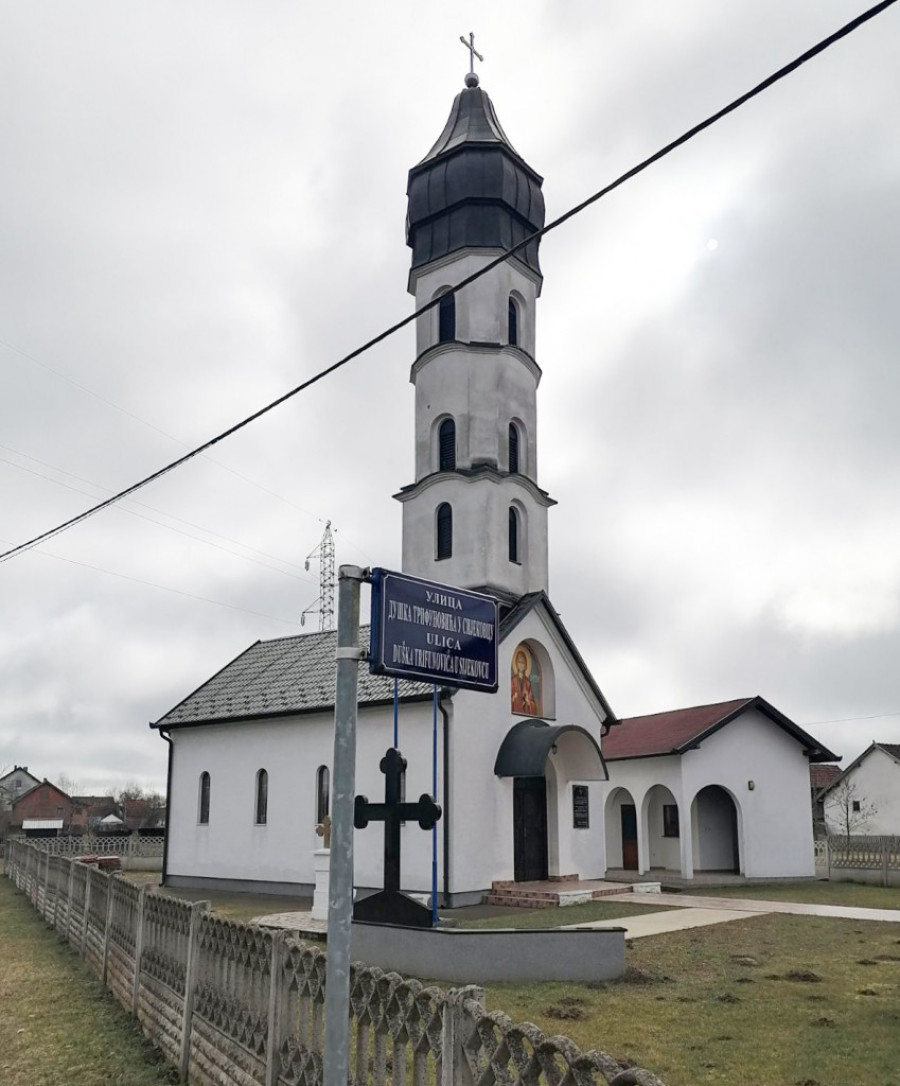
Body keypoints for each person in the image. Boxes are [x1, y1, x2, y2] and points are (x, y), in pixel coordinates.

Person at [511, 648, 537, 715]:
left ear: (525, 665)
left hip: (525, 712)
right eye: (519, 662)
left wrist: (528, 701)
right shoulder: (513, 680)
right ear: (516, 663)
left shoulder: (527, 682)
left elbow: (532, 703)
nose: (521, 665)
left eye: (523, 662)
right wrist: (513, 698)